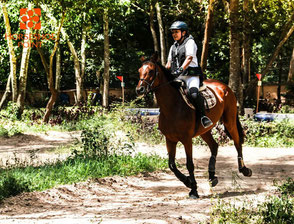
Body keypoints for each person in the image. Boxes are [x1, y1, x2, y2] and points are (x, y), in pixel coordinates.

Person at [165, 21, 213, 128]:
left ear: (184, 32)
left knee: (193, 94)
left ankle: (203, 117)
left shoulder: (190, 43)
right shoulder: (173, 47)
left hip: (191, 75)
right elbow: (168, 63)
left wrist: (180, 69)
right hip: (178, 76)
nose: (174, 34)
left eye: (176, 32)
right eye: (173, 32)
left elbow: (189, 58)